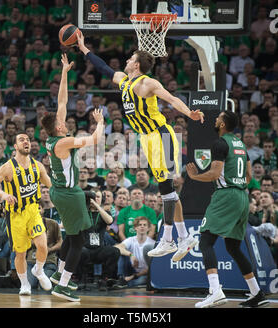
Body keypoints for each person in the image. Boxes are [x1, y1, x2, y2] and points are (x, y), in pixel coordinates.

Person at [77, 32, 204, 260]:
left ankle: (168, 239)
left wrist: (189, 113)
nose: (125, 61)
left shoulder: (148, 83)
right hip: (146, 138)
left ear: (136, 64)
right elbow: (103, 67)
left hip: (161, 134)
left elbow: (172, 99)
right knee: (167, 190)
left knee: (166, 188)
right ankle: (183, 237)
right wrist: (83, 48)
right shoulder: (124, 81)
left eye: (129, 59)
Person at [186, 111, 269, 308]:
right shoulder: (240, 144)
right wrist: (237, 187)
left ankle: (215, 292)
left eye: (218, 118)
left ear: (222, 124)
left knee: (205, 241)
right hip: (242, 197)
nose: (215, 120)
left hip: (227, 196)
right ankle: (257, 293)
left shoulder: (219, 143)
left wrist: (195, 176)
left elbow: (215, 173)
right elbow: (248, 175)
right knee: (232, 247)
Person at [41, 54, 105, 302]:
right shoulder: (64, 142)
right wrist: (100, 122)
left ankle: (58, 274)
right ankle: (63, 285)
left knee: (71, 235)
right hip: (68, 194)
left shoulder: (51, 136)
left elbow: (62, 100)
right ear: (58, 127)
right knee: (79, 241)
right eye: (62, 121)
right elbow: (95, 140)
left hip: (62, 192)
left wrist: (65, 72)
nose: (65, 120)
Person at [0, 132, 53, 296]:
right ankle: (25, 284)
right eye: (21, 140)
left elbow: (51, 185)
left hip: (33, 210)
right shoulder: (8, 167)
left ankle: (38, 269)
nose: (26, 142)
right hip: (15, 214)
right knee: (20, 253)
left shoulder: (38, 166)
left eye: (28, 139)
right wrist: (4, 195)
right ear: (15, 146)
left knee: (43, 245)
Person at [114, 216, 155, 288]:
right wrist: (131, 255)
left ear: (148, 228)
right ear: (135, 228)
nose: (142, 227)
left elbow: (152, 268)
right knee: (121, 253)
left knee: (136, 282)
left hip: (144, 273)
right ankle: (121, 278)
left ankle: (124, 282)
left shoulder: (152, 244)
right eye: (140, 225)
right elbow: (117, 248)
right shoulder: (131, 240)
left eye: (145, 225)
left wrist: (133, 276)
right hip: (131, 269)